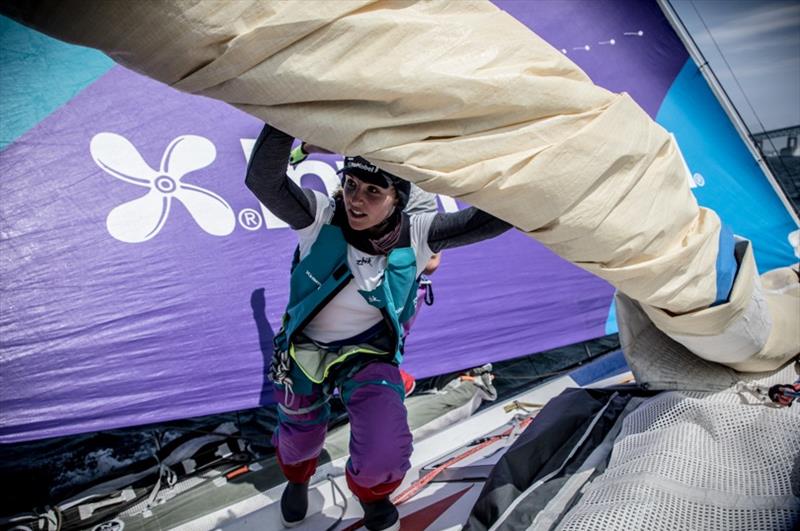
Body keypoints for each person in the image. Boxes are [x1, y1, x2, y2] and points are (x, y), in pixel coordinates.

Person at [245, 124, 511, 530]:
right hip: (306, 348)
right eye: (351, 184)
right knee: (299, 436)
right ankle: (298, 479)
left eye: (373, 191)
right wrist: (284, 119)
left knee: (384, 444)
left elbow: (496, 217)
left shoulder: (419, 233)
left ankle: (373, 498)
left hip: (368, 351)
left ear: (396, 199)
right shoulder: (320, 216)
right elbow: (263, 179)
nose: (356, 199)